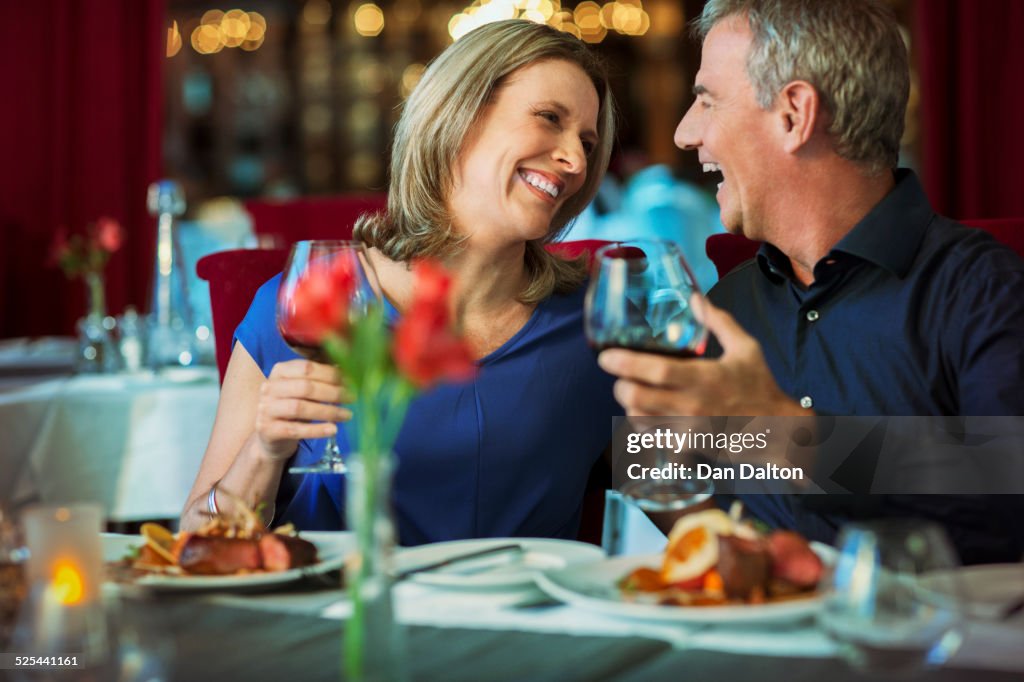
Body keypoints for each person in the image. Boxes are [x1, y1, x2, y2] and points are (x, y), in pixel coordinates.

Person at [598, 0, 1024, 563]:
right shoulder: (728, 304)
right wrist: (704, 526)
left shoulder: (983, 289)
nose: (683, 133)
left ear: (795, 114)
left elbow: (1009, 475)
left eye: (706, 100)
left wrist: (787, 433)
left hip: (926, 641)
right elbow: (649, 468)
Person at [181, 19, 622, 545]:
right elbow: (197, 539)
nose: (575, 160)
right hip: (345, 622)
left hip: (524, 624)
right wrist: (264, 450)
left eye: (588, 143)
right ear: (458, 116)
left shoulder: (598, 320)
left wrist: (733, 412)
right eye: (549, 118)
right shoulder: (310, 302)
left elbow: (698, 489)